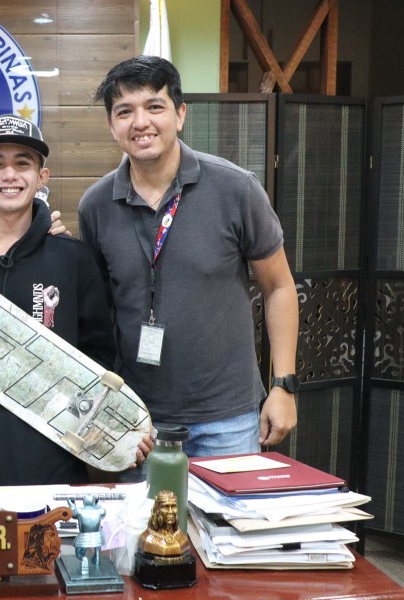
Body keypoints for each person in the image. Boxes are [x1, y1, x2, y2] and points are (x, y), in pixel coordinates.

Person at [78, 56, 299, 457]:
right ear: (112, 126)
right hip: (138, 419)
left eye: (154, 106)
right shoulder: (95, 205)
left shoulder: (236, 188)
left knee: (224, 523)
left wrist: (283, 386)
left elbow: (279, 286)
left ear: (180, 114)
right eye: (124, 111)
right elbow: (97, 311)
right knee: (146, 522)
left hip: (227, 418)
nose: (140, 122)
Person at [0, 114, 152, 487]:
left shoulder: (73, 259)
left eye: (22, 163)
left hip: (52, 466)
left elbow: (101, 359)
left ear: (42, 178)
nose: (9, 175)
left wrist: (106, 426)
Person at [138, 490, 190, 557]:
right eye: (166, 507)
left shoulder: (182, 539)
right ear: (157, 510)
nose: (170, 511)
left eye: (173, 507)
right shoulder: (147, 539)